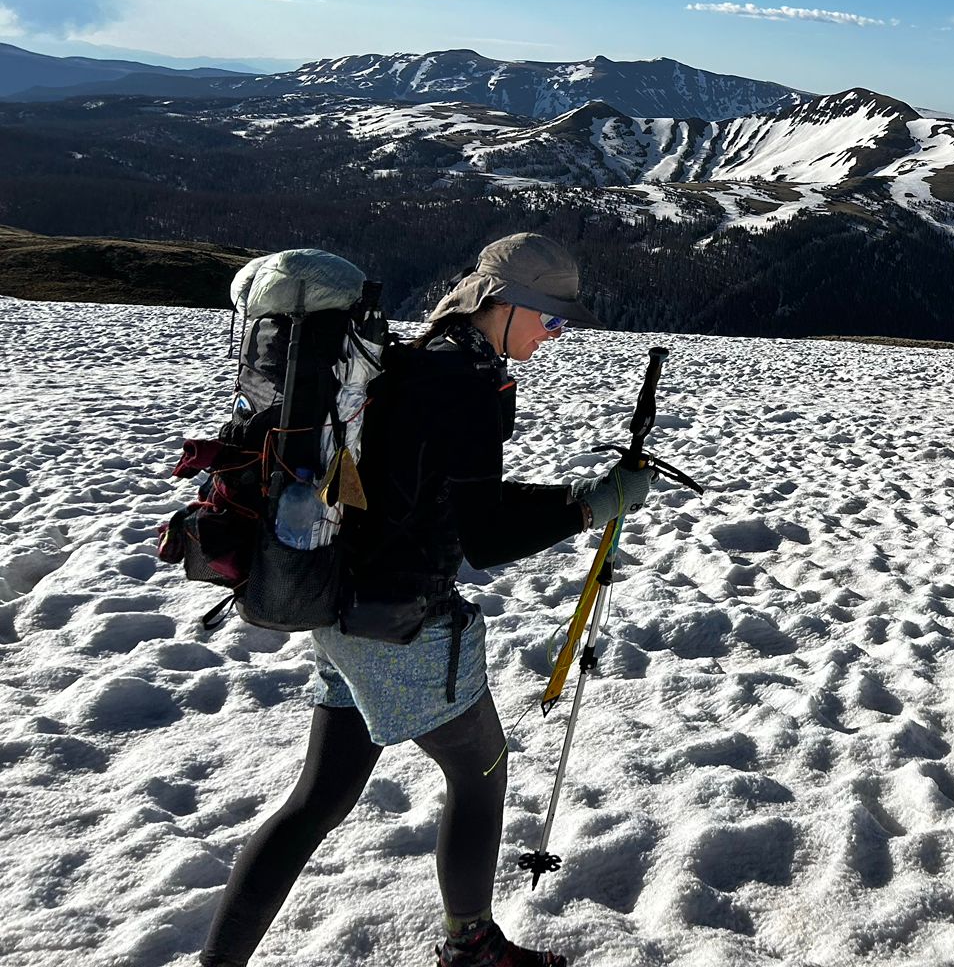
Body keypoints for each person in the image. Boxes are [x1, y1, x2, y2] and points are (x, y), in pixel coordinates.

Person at [202, 233, 651, 967]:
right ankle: (471, 945)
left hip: (338, 603)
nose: (556, 333)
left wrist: (579, 500)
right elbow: (484, 533)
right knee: (482, 771)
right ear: (504, 304)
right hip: (400, 619)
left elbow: (444, 500)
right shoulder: (467, 384)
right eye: (551, 316)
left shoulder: (415, 358)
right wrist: (592, 504)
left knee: (320, 798)